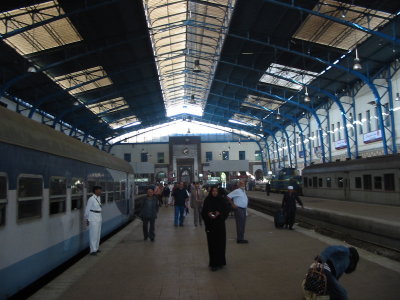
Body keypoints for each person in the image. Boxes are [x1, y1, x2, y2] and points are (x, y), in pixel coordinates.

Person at [201, 186, 229, 271]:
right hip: (211, 225)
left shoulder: (221, 200)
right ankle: (213, 264)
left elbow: (226, 210)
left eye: (216, 191)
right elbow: (203, 212)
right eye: (213, 191)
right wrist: (208, 214)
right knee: (212, 244)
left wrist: (219, 213)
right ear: (211, 192)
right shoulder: (207, 200)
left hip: (220, 225)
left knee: (221, 243)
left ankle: (220, 262)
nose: (214, 193)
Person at [85, 186, 103, 255]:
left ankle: (96, 248)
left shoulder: (99, 198)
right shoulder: (91, 199)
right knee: (93, 235)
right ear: (95, 191)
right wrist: (86, 219)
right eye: (99, 190)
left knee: (98, 234)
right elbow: (87, 209)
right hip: (93, 218)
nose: (101, 191)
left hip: (99, 217)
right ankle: (92, 250)